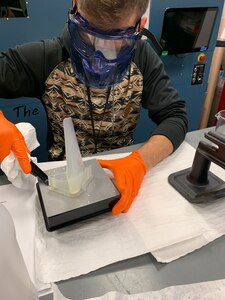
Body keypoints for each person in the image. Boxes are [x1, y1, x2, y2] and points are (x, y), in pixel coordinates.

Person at [0, 0, 188, 215]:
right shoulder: (45, 58)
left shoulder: (143, 57)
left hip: (120, 180)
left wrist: (140, 161)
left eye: (116, 40)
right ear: (74, 10)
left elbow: (175, 116)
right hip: (65, 185)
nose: (100, 57)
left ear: (140, 24)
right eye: (88, 35)